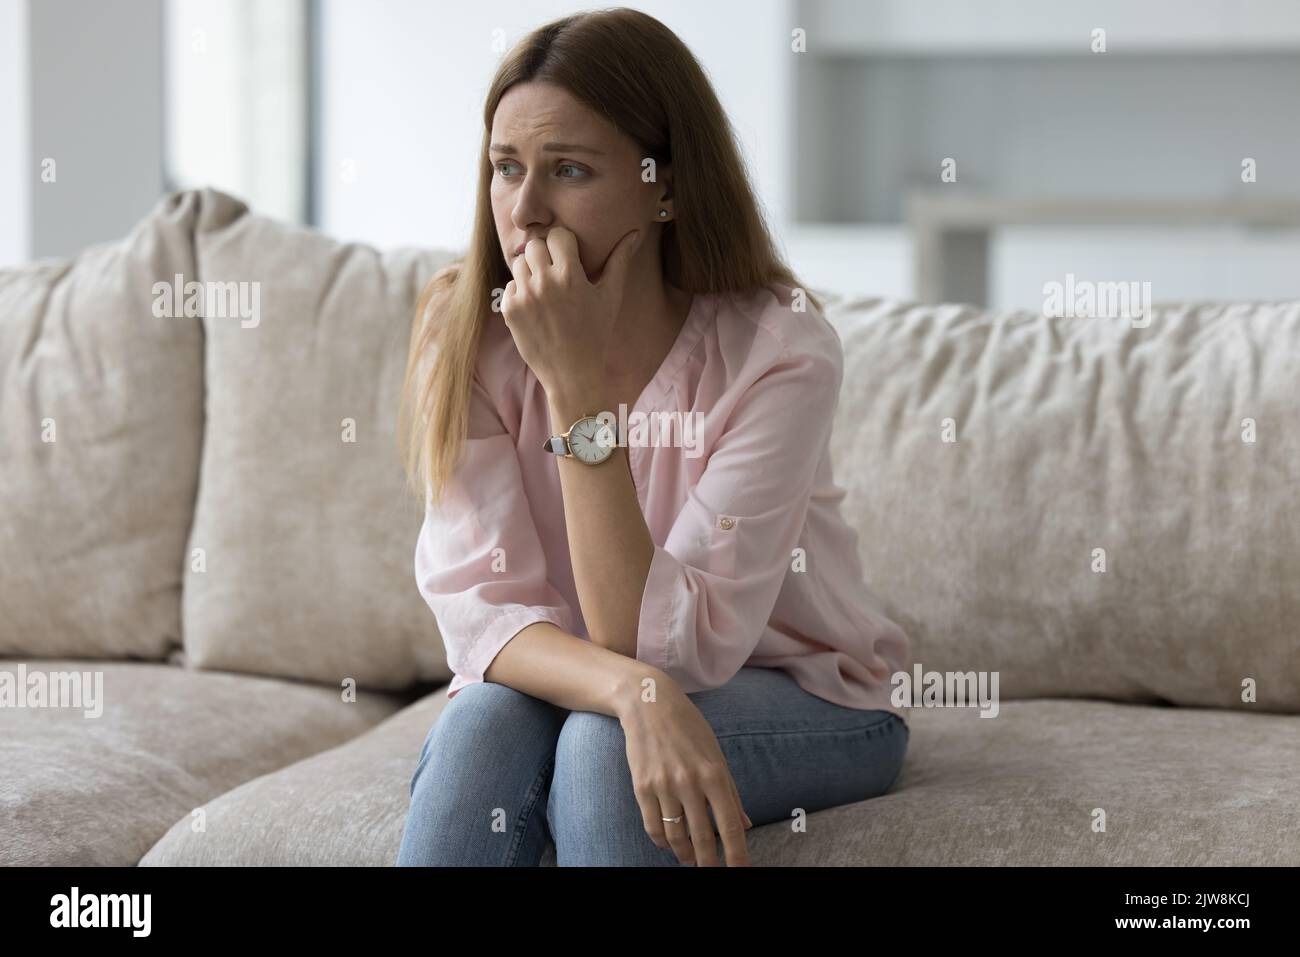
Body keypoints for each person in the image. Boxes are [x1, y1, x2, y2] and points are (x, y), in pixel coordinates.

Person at [394, 7, 912, 867]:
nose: (524, 210)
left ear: (663, 185)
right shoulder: (464, 332)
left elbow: (677, 646)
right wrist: (630, 690)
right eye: (505, 168)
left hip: (809, 693)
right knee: (482, 720)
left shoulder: (776, 350)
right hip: (593, 686)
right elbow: (484, 617)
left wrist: (574, 389)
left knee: (603, 750)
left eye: (568, 169)